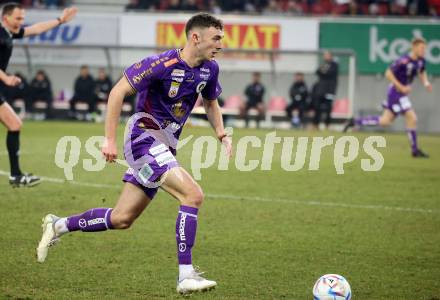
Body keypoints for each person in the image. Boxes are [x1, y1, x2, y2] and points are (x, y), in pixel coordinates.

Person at [37, 13, 232, 295]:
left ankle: (59, 225)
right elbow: (117, 93)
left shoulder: (210, 69)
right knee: (193, 195)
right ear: (195, 37)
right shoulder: (160, 64)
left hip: (164, 146)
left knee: (121, 218)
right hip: (142, 138)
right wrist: (109, 140)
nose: (220, 44)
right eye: (216, 38)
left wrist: (221, 133)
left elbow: (211, 103)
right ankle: (185, 274)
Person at [0, 2, 77, 187]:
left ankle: (16, 176)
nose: (21, 21)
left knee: (15, 124)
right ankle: (16, 176)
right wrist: (6, 78)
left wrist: (60, 20)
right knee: (15, 124)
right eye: (17, 18)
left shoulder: (9, 33)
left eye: (22, 18)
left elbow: (34, 29)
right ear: (5, 18)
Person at [344, 37, 432, 158]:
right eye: (421, 48)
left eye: (424, 48)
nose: (423, 50)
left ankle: (354, 122)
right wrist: (401, 87)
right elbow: (388, 73)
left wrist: (426, 83)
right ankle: (415, 150)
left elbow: (422, 71)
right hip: (396, 92)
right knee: (412, 118)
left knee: (385, 121)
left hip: (402, 93)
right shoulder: (403, 60)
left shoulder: (421, 61)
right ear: (414, 47)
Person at [311, 50, 338, 129]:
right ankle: (316, 124)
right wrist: (323, 71)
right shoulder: (323, 64)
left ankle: (327, 125)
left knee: (328, 108)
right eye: (325, 56)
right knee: (317, 107)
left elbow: (329, 73)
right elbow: (317, 72)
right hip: (321, 90)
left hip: (330, 90)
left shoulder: (334, 65)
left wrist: (323, 71)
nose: (325, 57)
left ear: (331, 56)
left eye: (327, 55)